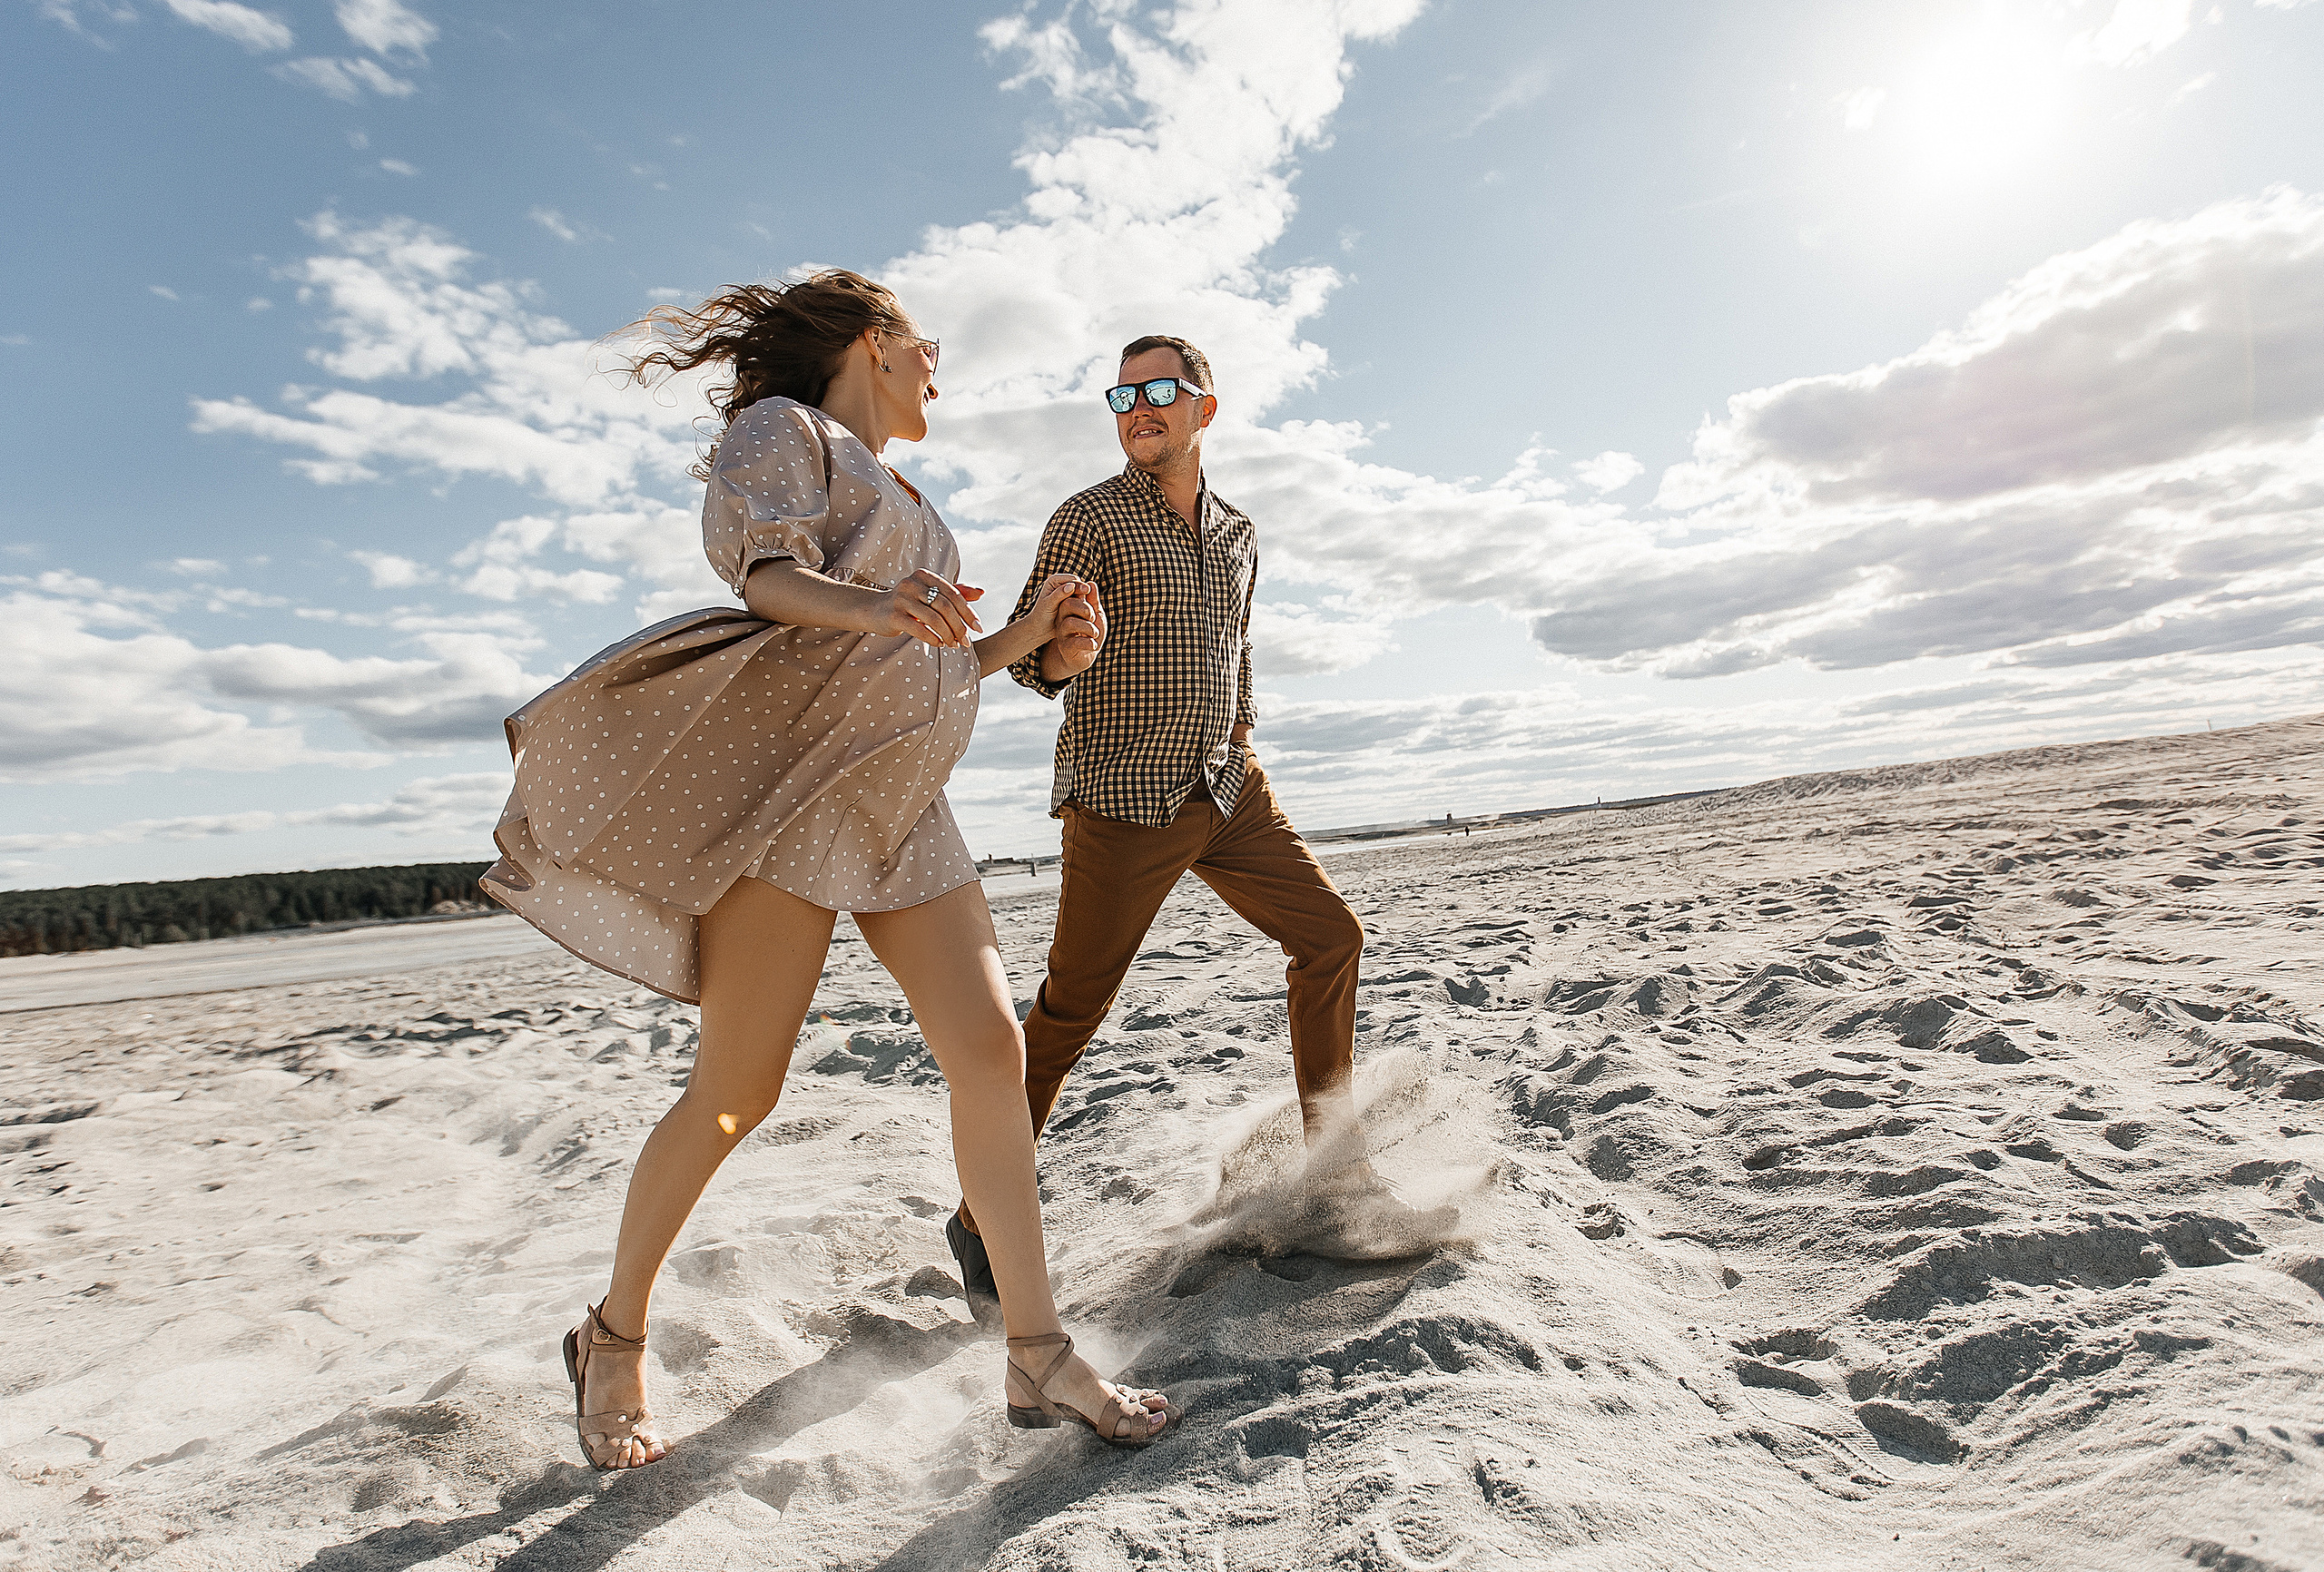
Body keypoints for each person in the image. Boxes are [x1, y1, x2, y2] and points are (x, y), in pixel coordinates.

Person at [479, 270, 1170, 1469]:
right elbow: (767, 579)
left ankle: (1036, 1350)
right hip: (794, 804)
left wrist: (1034, 637)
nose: (938, 367)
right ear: (871, 342)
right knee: (740, 1092)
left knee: (992, 1053)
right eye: (926, 344)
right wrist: (872, 600)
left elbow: (926, 655)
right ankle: (611, 1334)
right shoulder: (784, 432)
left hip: (904, 810)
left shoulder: (904, 490)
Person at [946, 333, 1392, 1292]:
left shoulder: (1238, 530)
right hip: (1122, 798)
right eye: (1122, 394)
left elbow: (1239, 641)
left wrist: (1241, 727)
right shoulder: (1089, 518)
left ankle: (1335, 1175)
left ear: (1204, 408)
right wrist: (1065, 654)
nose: (1137, 407)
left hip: (1230, 790)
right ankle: (978, 1210)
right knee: (1070, 1011)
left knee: (1332, 939)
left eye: (1160, 389)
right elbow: (1035, 660)